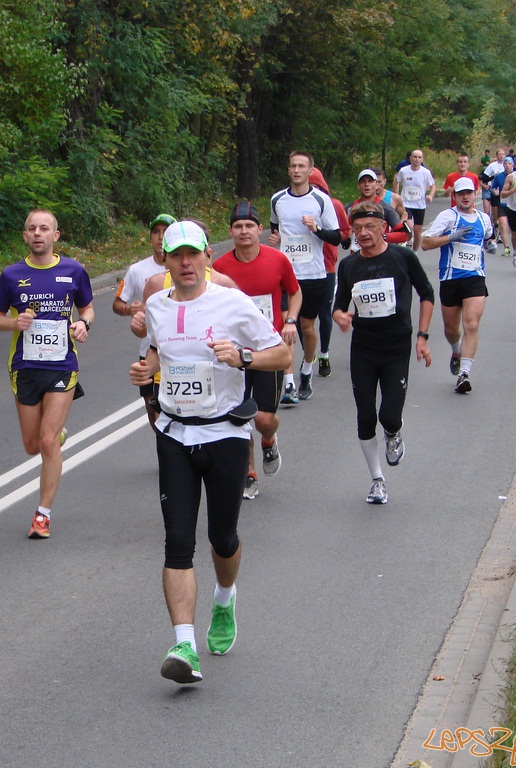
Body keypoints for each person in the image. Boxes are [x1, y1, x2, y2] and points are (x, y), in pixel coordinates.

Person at [129, 219, 290, 684]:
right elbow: (160, 350)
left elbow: (281, 356)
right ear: (167, 259)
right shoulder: (157, 305)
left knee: (223, 538)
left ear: (205, 256)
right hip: (175, 433)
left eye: (192, 254)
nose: (184, 263)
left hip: (225, 434)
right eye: (176, 255)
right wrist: (146, 370)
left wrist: (241, 358)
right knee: (177, 541)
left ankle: (225, 596)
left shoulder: (233, 304)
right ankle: (185, 644)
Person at [0, 209, 95, 539]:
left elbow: (87, 308)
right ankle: (57, 435)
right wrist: (13, 322)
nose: (38, 233)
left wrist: (83, 324)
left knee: (47, 441)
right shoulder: (11, 275)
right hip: (25, 365)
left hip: (62, 364)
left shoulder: (73, 270)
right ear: (25, 236)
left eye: (44, 228)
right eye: (32, 228)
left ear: (55, 235)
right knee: (33, 445)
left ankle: (42, 514)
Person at [333, 201, 435, 505]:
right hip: (363, 348)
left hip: (396, 346)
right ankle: (377, 479)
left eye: (370, 227)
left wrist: (423, 337)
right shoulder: (349, 265)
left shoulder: (402, 257)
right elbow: (339, 305)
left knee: (389, 415)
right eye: (358, 228)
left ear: (384, 228)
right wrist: (340, 316)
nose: (363, 233)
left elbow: (427, 294)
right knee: (365, 416)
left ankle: (393, 433)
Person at [213, 201, 302, 500]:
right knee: (238, 417)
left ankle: (268, 439)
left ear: (260, 229)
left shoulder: (277, 260)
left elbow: (295, 291)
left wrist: (290, 320)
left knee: (263, 418)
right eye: (238, 226)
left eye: (250, 225)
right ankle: (249, 473)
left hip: (267, 351)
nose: (244, 231)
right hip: (233, 355)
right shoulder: (220, 268)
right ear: (230, 231)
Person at [267, 150, 343, 404]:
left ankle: (307, 370)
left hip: (313, 274)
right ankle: (289, 384)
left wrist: (316, 228)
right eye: (293, 166)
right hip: (284, 274)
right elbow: (276, 228)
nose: (297, 170)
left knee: (308, 328)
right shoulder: (277, 199)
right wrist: (275, 239)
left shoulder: (321, 201)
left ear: (311, 171)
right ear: (288, 170)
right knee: (285, 328)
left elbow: (337, 237)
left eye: (302, 166)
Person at [421, 177, 493, 394]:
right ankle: (456, 350)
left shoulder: (484, 218)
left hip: (474, 278)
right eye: (461, 193)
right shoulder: (448, 217)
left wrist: (490, 245)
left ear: (475, 194)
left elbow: (489, 238)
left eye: (469, 193)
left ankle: (464, 374)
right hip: (451, 279)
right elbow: (425, 243)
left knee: (471, 324)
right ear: (455, 195)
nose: (465, 196)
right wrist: (450, 237)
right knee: (451, 329)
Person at [114, 213, 175, 430]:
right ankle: (167, 451)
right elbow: (117, 303)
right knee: (153, 410)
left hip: (179, 348)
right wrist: (129, 309)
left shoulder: (184, 266)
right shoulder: (137, 270)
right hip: (149, 349)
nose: (160, 237)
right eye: (155, 232)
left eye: (166, 232)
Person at [309, 167, 352, 379]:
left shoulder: (332, 204)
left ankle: (324, 353)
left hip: (326, 265)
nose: (311, 190)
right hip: (301, 268)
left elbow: (345, 231)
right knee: (301, 318)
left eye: (316, 186)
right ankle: (309, 353)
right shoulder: (293, 205)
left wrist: (342, 239)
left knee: (324, 314)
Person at [392, 149, 436, 251]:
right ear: (410, 158)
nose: (416, 159)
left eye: (419, 157)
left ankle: (415, 252)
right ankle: (408, 239)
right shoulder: (404, 170)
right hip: (406, 204)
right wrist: (396, 195)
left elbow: (432, 186)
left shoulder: (425, 172)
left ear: (422, 159)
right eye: (414, 157)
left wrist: (430, 195)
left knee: (417, 232)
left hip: (420, 205)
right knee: (409, 226)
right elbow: (396, 180)